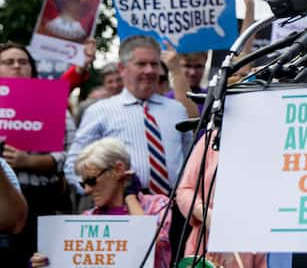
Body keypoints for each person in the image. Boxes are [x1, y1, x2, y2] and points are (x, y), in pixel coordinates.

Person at [65, 35, 191, 196]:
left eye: (154, 64)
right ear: (122, 68)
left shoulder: (177, 110)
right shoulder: (100, 111)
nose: (150, 70)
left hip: (174, 208)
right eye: (141, 64)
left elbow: (189, 160)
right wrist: (96, 193)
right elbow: (74, 163)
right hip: (123, 212)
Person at [30, 137, 171, 267]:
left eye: (91, 181)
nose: (87, 190)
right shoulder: (86, 219)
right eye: (82, 183)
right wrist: (45, 261)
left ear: (118, 169)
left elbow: (154, 244)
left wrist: (130, 198)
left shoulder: (157, 205)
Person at [0, 42, 77, 267]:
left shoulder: (52, 102)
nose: (17, 67)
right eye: (8, 62)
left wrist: (31, 161)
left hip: (44, 203)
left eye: (23, 62)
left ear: (32, 69)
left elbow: (72, 154)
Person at [176, 132, 267, 267]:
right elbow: (185, 190)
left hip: (250, 243)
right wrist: (205, 214)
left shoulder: (267, 139)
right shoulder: (214, 137)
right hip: (204, 243)